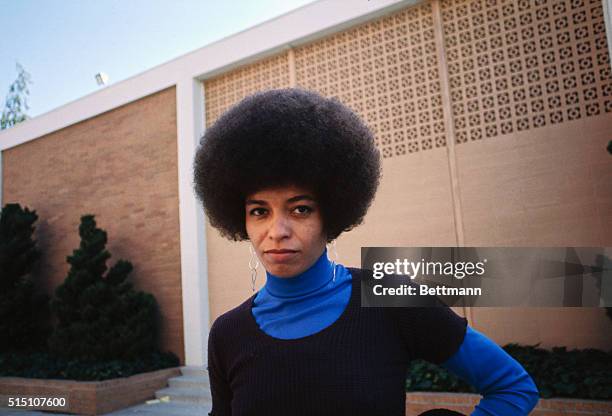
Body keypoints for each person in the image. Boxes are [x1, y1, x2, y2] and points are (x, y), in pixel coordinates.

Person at [193, 88, 539, 416]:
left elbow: (513, 386)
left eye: (300, 209)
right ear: (241, 220)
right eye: (259, 212)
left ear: (333, 210)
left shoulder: (391, 299)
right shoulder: (227, 333)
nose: (277, 231)